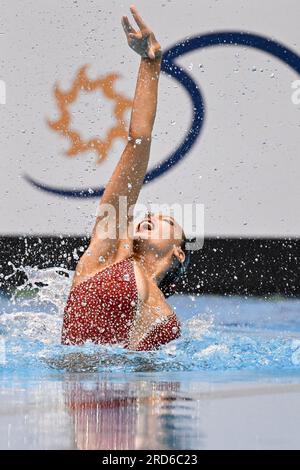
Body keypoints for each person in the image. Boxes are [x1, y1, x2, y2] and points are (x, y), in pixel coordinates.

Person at [61, 5, 190, 351]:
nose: (149, 216)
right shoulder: (105, 252)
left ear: (178, 252)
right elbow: (138, 141)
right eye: (152, 214)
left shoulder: (168, 323)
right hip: (75, 396)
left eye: (165, 220)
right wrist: (150, 65)